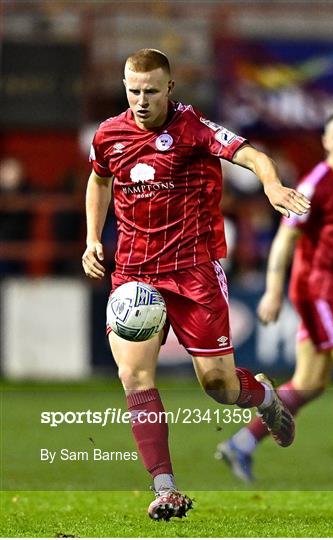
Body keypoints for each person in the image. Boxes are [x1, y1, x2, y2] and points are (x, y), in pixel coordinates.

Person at [81, 49, 310, 521]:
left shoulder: (194, 129)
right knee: (133, 375)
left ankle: (264, 397)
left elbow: (251, 154)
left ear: (170, 89)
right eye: (133, 90)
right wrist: (91, 239)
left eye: (150, 90)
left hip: (194, 273)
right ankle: (164, 487)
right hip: (134, 275)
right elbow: (99, 180)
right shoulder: (109, 135)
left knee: (220, 387)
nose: (141, 100)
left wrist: (270, 185)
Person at [216, 109, 333, 485]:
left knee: (311, 381)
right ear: (325, 142)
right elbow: (287, 237)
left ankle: (241, 445)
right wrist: (272, 291)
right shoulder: (317, 183)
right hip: (317, 290)